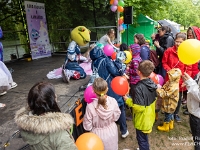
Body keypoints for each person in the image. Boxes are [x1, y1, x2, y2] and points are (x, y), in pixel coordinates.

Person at [15, 82, 78, 150]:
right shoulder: (60, 134)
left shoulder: (25, 124)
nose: (56, 96)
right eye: (54, 95)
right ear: (51, 101)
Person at [90, 46, 129, 138]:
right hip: (111, 87)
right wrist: (118, 63)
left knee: (105, 107)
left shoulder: (93, 63)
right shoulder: (105, 60)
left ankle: (110, 127)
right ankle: (124, 131)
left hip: (101, 88)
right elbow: (116, 72)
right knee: (120, 107)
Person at [124, 60, 157, 150]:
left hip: (142, 121)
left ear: (139, 72)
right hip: (149, 117)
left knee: (141, 139)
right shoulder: (153, 83)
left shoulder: (138, 88)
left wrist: (128, 100)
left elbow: (139, 108)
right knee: (144, 138)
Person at [83, 78, 121, 150]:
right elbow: (116, 116)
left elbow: (87, 126)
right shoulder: (113, 101)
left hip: (97, 135)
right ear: (107, 89)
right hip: (112, 132)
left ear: (93, 91)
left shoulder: (90, 106)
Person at [162, 32, 192, 122]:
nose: (178, 44)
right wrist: (169, 71)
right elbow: (164, 62)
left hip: (180, 81)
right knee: (168, 96)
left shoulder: (187, 53)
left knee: (178, 98)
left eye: (180, 42)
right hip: (170, 79)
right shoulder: (169, 51)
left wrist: (185, 80)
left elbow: (189, 68)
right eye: (176, 41)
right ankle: (168, 113)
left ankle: (176, 113)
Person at [183, 26, 200, 115]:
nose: (189, 37)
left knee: (195, 90)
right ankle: (188, 105)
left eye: (191, 35)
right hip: (189, 70)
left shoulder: (198, 46)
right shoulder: (187, 45)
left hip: (196, 72)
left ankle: (193, 109)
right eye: (188, 36)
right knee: (189, 89)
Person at [182, 71, 200, 150]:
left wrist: (190, 83)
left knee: (198, 142)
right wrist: (188, 83)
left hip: (197, 116)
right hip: (195, 111)